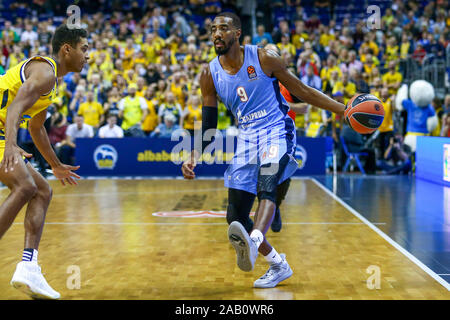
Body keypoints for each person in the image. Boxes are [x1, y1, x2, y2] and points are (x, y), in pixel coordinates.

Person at [181, 13, 346, 288]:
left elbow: (303, 91)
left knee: (266, 185)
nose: (216, 34)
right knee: (235, 216)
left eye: (223, 28)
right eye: (213, 30)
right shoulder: (209, 74)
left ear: (237, 33)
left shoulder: (265, 58)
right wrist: (193, 155)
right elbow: (210, 127)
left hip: (276, 130)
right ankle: (278, 264)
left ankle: (255, 240)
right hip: (246, 139)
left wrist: (343, 109)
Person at [0, 24, 88, 299]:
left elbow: (37, 128)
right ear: (67, 49)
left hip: (4, 132)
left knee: (41, 190)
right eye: (84, 49)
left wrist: (55, 164)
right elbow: (14, 109)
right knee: (26, 187)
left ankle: (28, 266)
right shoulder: (45, 72)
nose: (88, 56)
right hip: (3, 132)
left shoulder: (51, 83)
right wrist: (12, 145)